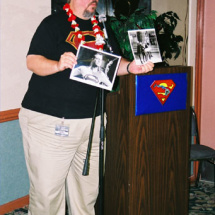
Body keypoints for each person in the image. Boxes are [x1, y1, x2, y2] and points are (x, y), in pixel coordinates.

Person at [19, 0, 154, 214]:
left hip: (93, 121)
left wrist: (131, 67)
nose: (95, 1)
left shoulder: (101, 26)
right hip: (52, 121)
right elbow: (32, 61)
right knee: (48, 196)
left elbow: (113, 63)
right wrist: (57, 64)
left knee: (87, 194)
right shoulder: (53, 23)